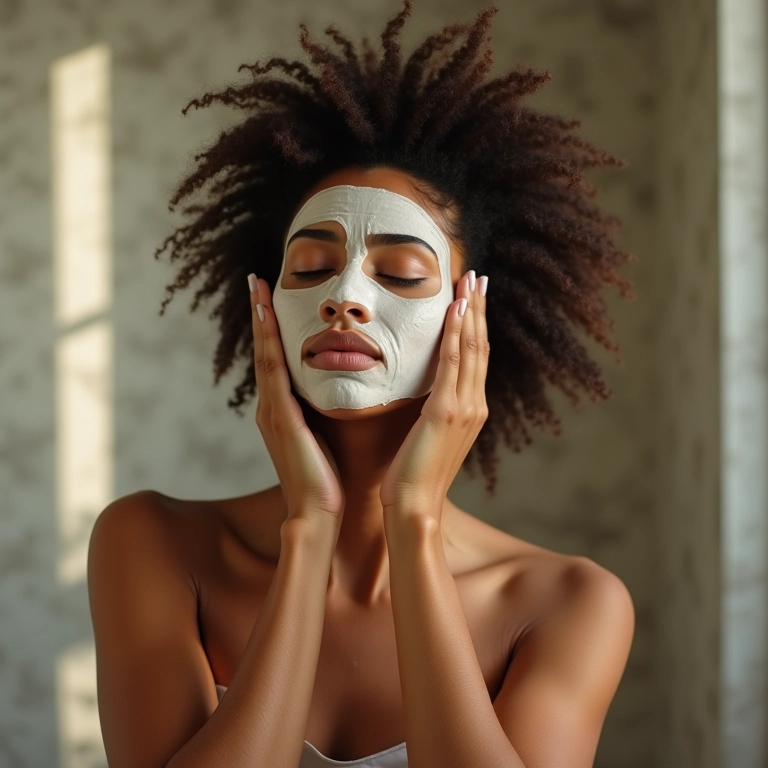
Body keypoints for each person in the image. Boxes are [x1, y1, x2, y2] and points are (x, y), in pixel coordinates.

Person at [87, 3, 636, 767]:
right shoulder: (151, 544)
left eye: (402, 273)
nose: (344, 295)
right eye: (309, 267)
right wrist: (308, 528)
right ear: (265, 305)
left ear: (472, 325)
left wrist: (412, 521)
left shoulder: (570, 605)